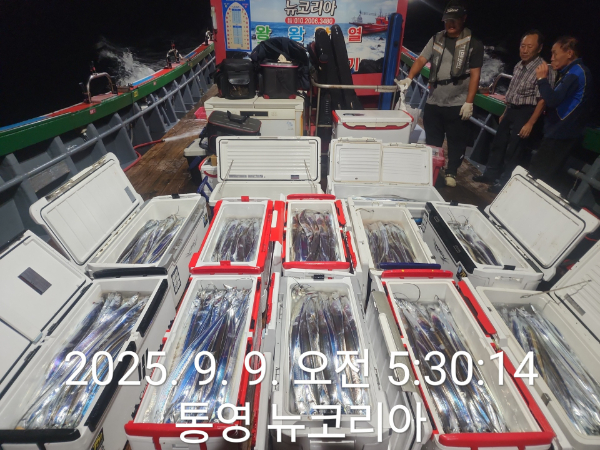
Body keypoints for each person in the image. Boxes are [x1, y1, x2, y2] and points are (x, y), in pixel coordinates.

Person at [399, 1, 483, 187]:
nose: (450, 24)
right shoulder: (436, 39)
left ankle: (451, 171)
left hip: (457, 102)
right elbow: (421, 59)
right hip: (434, 99)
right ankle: (433, 169)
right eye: (447, 20)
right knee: (433, 139)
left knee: (456, 141)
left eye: (454, 20)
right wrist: (409, 78)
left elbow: (475, 75)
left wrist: (469, 102)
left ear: (463, 19)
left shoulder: (474, 44)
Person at [473, 30, 555, 193]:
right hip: (511, 110)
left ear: (539, 48)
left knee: (514, 150)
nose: (525, 50)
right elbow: (512, 91)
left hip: (527, 112)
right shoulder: (519, 65)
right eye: (522, 46)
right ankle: (490, 174)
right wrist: (505, 111)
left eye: (529, 46)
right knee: (499, 143)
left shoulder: (544, 69)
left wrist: (530, 123)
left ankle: (504, 182)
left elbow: (543, 100)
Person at [529, 36, 592, 186]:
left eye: (555, 53)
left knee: (539, 176)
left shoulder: (576, 73)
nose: (552, 58)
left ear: (569, 53)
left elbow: (552, 100)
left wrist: (542, 79)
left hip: (560, 135)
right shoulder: (572, 72)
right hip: (557, 133)